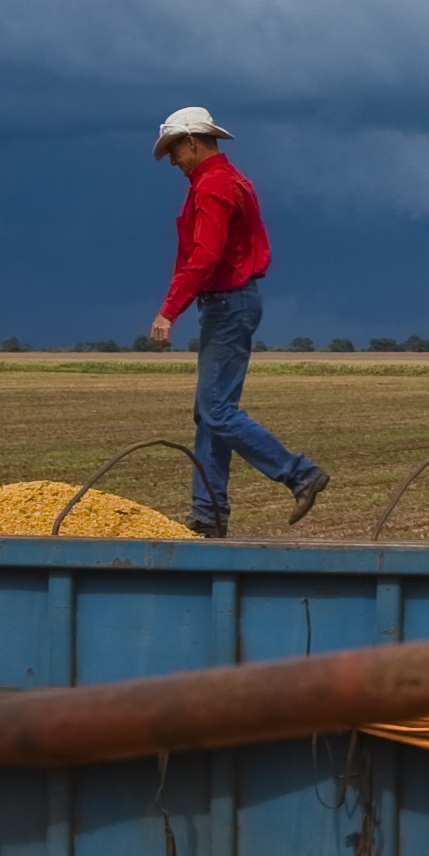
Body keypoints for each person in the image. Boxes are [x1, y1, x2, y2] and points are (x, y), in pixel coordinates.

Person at [144, 106, 328, 538]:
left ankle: (299, 474)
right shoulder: (232, 181)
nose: (173, 161)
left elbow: (204, 257)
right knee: (210, 412)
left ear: (191, 142)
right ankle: (207, 515)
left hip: (227, 303)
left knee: (217, 410)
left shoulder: (212, 187)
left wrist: (168, 311)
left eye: (174, 150)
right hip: (233, 302)